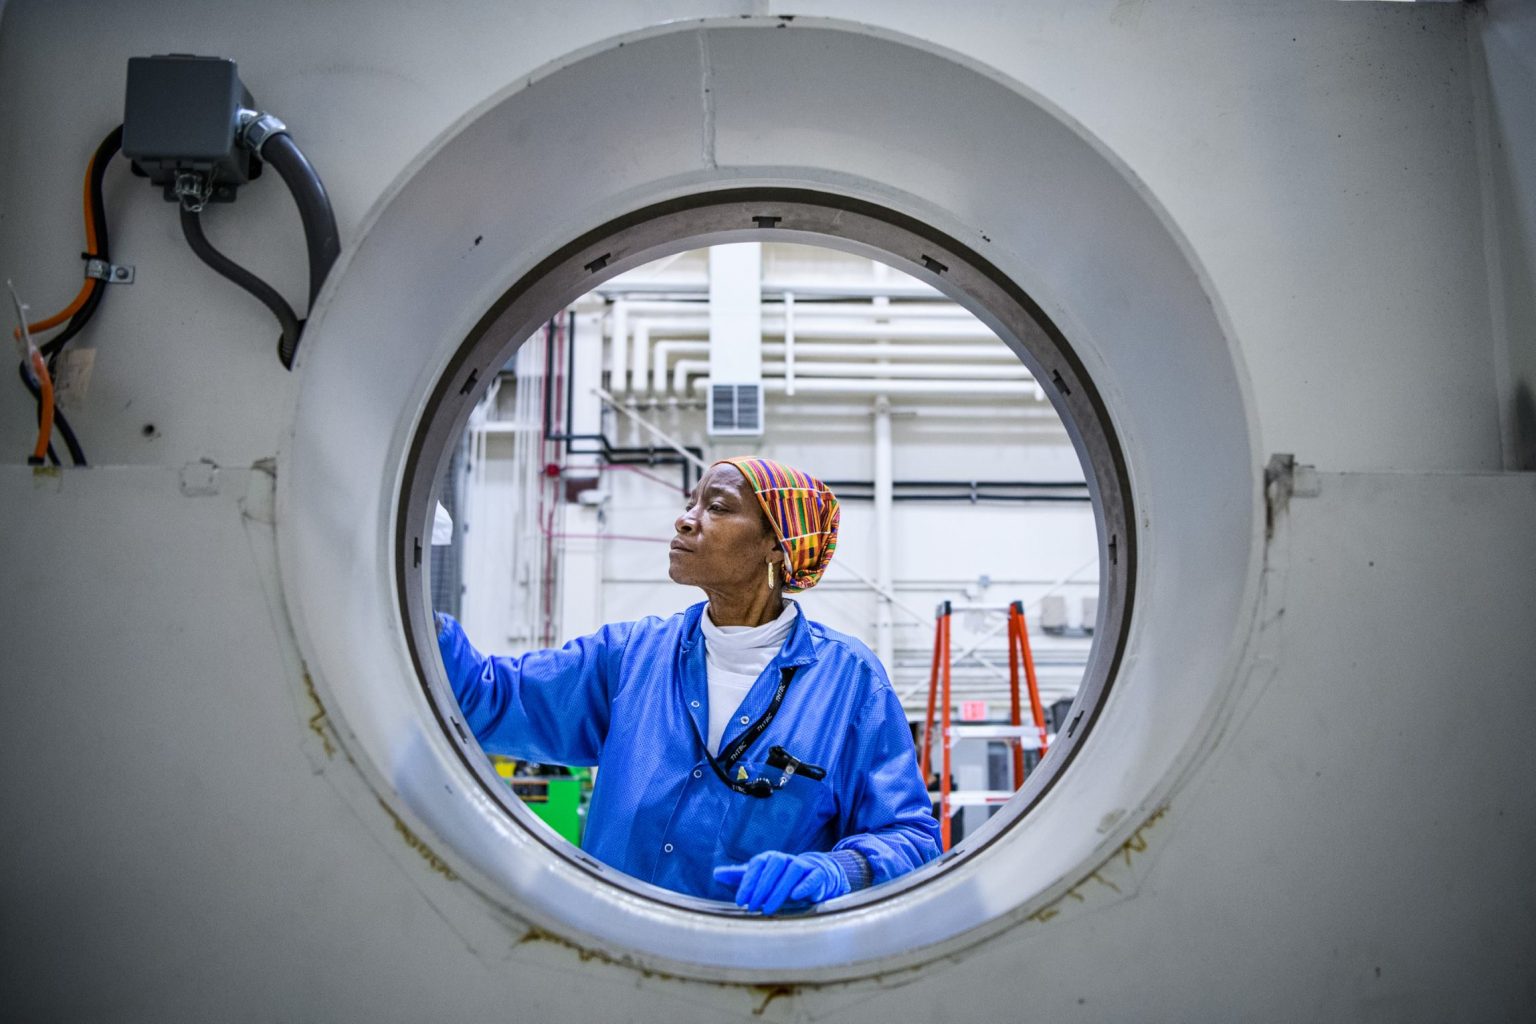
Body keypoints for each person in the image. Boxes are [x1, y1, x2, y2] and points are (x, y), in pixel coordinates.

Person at [435, 456, 940, 915]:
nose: (685, 519)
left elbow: (911, 837)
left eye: (717, 507)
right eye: (690, 503)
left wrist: (839, 870)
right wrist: (403, 596)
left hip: (761, 978)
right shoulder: (629, 657)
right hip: (612, 952)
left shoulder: (849, 682)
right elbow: (487, 697)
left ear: (776, 546)